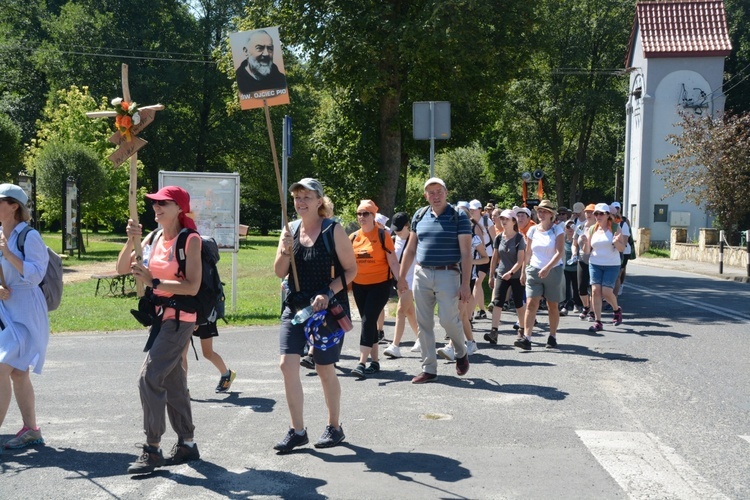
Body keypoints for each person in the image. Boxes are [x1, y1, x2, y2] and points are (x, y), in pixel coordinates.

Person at [116, 186, 203, 474]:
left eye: (163, 203)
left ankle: (153, 448)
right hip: (159, 319)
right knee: (173, 381)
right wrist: (133, 241)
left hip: (180, 319)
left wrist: (154, 282)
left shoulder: (190, 240)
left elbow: (192, 286)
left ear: (179, 208)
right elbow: (120, 268)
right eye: (154, 203)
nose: (156, 207)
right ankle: (187, 443)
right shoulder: (152, 238)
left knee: (149, 377)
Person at [273, 178, 357, 452]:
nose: (301, 202)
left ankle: (335, 426)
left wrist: (327, 293)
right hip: (295, 308)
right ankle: (297, 430)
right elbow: (279, 271)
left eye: (307, 197)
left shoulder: (333, 230)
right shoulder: (290, 230)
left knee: (324, 369)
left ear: (320, 201)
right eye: (297, 197)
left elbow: (351, 270)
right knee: (287, 365)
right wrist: (286, 249)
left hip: (326, 311)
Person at [397, 177, 472, 383]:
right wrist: (402, 277)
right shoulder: (419, 215)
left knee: (448, 319)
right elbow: (410, 249)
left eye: (439, 191)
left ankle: (460, 351)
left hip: (448, 273)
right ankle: (429, 367)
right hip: (421, 274)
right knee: (424, 322)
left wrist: (466, 284)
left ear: (446, 193)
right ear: (425, 196)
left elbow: (466, 253)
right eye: (431, 192)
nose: (435, 196)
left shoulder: (458, 217)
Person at [0, 184, 49, 450]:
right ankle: (32, 430)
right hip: (4, 310)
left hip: (27, 310)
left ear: (14, 206)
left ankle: (30, 429)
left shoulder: (29, 237)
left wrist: (8, 254)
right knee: (18, 373)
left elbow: (36, 274)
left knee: (2, 367)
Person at [349, 200, 399, 379]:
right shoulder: (354, 237)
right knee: (368, 322)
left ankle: (361, 362)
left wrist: (400, 281)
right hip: (359, 285)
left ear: (373, 215)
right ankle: (375, 361)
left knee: (368, 320)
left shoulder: (382, 235)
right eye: (359, 214)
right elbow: (347, 263)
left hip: (380, 284)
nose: (361, 217)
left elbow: (393, 261)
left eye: (366, 214)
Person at [437, 204, 488, 360]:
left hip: (466, 278)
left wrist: (469, 261)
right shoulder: (450, 236)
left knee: (457, 313)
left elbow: (486, 258)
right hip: (450, 276)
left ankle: (452, 347)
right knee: (462, 313)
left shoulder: (474, 238)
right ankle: (471, 342)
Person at [515, 199, 564, 350]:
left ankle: (552, 336)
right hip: (534, 269)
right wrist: (523, 271)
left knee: (552, 305)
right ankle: (527, 338)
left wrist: (548, 268)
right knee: (531, 303)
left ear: (551, 214)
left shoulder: (558, 230)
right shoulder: (532, 230)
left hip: (553, 270)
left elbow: (559, 252)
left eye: (544, 211)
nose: (541, 214)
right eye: (539, 211)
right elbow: (528, 252)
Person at [579, 203, 626, 332]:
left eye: (601, 214)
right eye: (596, 214)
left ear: (607, 215)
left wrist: (616, 242)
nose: (598, 216)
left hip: (612, 264)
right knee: (595, 291)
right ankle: (598, 321)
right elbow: (587, 251)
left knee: (606, 292)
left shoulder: (615, 228)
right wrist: (584, 243)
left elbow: (622, 248)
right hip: (595, 263)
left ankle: (617, 310)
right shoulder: (592, 229)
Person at [486, 209, 526, 344]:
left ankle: (522, 330)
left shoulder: (520, 238)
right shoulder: (498, 238)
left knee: (519, 303)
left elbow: (521, 261)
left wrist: (512, 273)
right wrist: (491, 275)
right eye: (502, 219)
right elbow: (495, 257)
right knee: (497, 302)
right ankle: (494, 332)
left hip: (516, 276)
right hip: (502, 274)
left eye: (506, 219)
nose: (503, 221)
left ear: (513, 221)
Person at [383, 212, 419, 358]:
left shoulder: (415, 240)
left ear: (407, 225)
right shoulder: (391, 239)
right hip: (398, 281)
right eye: (395, 228)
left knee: (400, 311)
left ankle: (395, 345)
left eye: (400, 228)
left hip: (412, 281)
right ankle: (422, 339)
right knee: (409, 311)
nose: (397, 231)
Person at [180, 322, 236, 393]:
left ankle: (227, 375)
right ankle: (183, 388)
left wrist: (197, 320)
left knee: (207, 353)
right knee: (182, 355)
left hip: (204, 318)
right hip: (187, 319)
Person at [236, 29, 287, 97]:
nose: (266, 54)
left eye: (270, 48)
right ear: (246, 51)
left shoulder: (280, 80)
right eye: (259, 48)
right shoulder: (239, 80)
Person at [469, 199, 495, 320]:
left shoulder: (487, 221)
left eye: (474, 209)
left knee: (477, 283)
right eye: (470, 209)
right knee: (477, 283)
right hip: (475, 256)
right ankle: (482, 310)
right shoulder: (470, 221)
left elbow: (495, 240)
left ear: (480, 210)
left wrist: (496, 257)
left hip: (487, 255)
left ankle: (470, 314)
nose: (472, 211)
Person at [574, 204, 597, 321]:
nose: (588, 214)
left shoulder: (599, 228)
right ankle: (586, 306)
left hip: (595, 261)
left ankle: (592, 312)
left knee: (593, 288)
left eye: (591, 212)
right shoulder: (580, 227)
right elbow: (574, 243)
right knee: (581, 288)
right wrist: (574, 253)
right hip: (582, 259)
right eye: (587, 212)